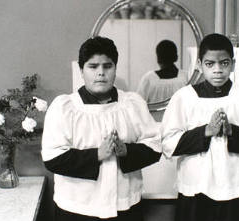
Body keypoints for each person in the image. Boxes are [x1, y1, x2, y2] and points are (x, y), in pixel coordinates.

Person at [41, 36, 161, 221]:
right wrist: (97, 154)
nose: (101, 73)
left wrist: (126, 150)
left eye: (107, 66)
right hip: (78, 209)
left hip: (125, 206)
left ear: (115, 68)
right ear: (82, 70)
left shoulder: (132, 104)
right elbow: (52, 158)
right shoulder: (65, 107)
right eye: (93, 66)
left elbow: (155, 146)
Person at [161, 33, 239, 221]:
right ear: (199, 64)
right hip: (195, 188)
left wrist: (232, 132)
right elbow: (168, 144)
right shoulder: (184, 97)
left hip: (236, 187)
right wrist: (206, 131)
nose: (218, 70)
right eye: (210, 64)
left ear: (233, 63)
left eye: (224, 63)